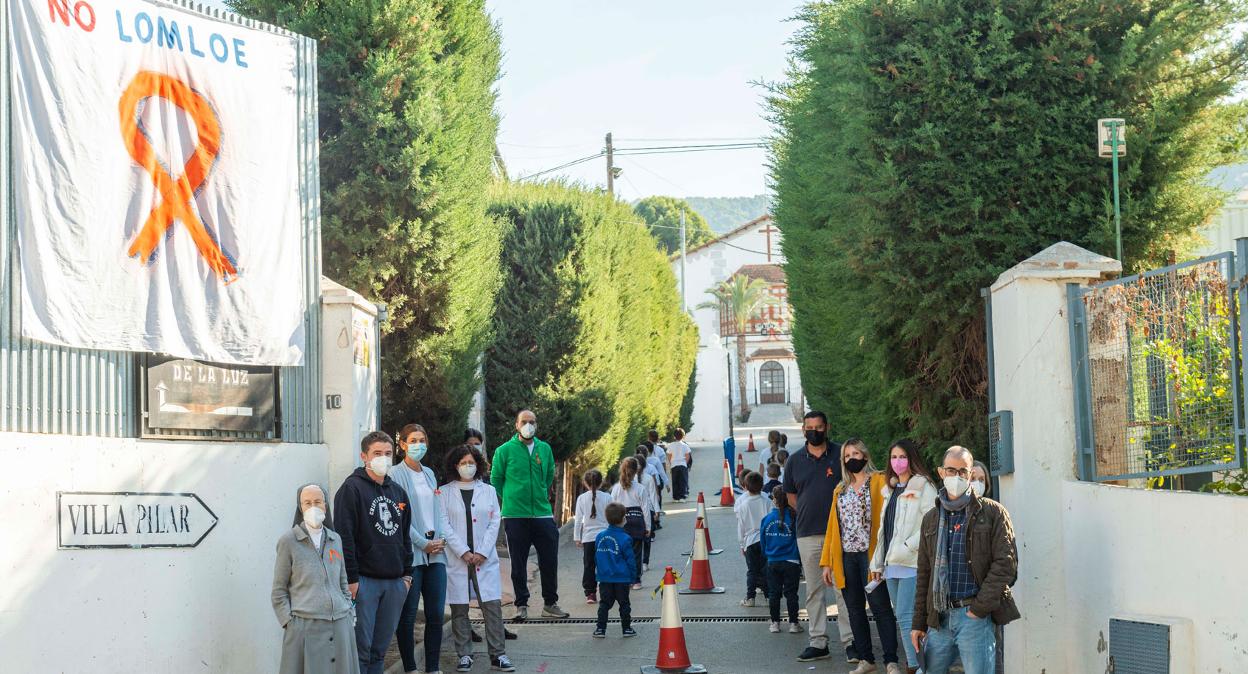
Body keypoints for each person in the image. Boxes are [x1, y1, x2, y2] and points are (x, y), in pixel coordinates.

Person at [912, 447, 1020, 674]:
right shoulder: (931, 519)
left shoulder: (993, 513)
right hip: (939, 618)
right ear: (941, 472)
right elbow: (924, 573)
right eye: (951, 470)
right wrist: (918, 623)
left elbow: (1006, 565)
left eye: (963, 471)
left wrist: (979, 610)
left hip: (974, 616)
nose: (957, 476)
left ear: (971, 474)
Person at [333, 432, 414, 674]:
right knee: (361, 650)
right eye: (377, 454)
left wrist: (407, 576)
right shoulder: (351, 489)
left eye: (388, 454)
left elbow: (405, 536)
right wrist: (352, 579)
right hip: (364, 583)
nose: (383, 458)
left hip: (395, 583)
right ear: (364, 456)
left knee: (380, 650)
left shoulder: (398, 493)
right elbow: (344, 537)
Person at [820, 438, 900, 674]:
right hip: (846, 558)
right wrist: (827, 563)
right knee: (854, 609)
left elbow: (896, 487)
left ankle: (891, 660)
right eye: (846, 456)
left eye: (855, 454)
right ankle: (867, 660)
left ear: (865, 456)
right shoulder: (840, 489)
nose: (851, 459)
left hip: (871, 556)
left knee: (881, 607)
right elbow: (832, 529)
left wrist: (895, 480)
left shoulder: (879, 481)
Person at [782, 411, 853, 663]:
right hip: (807, 534)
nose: (814, 431)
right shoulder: (794, 461)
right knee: (814, 591)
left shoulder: (841, 455)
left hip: (842, 534)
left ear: (827, 427)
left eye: (819, 427)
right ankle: (818, 642)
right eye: (809, 427)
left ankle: (850, 641)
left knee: (843, 588)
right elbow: (791, 496)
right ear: (803, 430)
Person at [441, 444, 516, 673]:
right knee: (459, 608)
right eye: (463, 463)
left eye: (471, 462)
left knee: (491, 606)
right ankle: (464, 654)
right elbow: (443, 524)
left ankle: (498, 655)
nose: (468, 466)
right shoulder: (443, 492)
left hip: (485, 558)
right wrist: (463, 551)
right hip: (458, 558)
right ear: (456, 465)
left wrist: (482, 551)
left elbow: (495, 522)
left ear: (478, 464)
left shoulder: (489, 491)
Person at [272, 484, 359, 674]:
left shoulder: (336, 539)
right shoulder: (288, 542)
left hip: (340, 623)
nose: (313, 507)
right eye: (307, 503)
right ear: (300, 507)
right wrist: (289, 623)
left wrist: (349, 611)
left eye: (318, 502)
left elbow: (343, 582)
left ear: (325, 506)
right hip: (305, 627)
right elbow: (279, 591)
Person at [491, 410, 569, 621]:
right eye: (524, 422)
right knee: (518, 562)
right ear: (516, 425)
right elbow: (496, 479)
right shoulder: (504, 451)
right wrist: (512, 497)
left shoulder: (544, 449)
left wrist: (540, 496)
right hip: (515, 515)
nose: (528, 425)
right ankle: (521, 605)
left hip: (542, 514)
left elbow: (548, 475)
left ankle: (550, 604)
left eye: (532, 422)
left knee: (549, 560)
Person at [870, 440, 938, 674]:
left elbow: (932, 524)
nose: (897, 462)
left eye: (902, 457)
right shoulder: (890, 490)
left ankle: (917, 667)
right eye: (893, 457)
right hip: (892, 565)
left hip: (912, 563)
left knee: (910, 618)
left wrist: (908, 547)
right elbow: (884, 531)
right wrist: (878, 562)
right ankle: (919, 665)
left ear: (912, 458)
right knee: (902, 617)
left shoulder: (923, 486)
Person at [389, 424, 449, 674]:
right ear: (402, 444)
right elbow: (399, 518)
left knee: (436, 615)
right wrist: (423, 543)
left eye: (422, 440)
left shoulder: (429, 473)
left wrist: (440, 539)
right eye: (413, 440)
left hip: (436, 555)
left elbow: (437, 510)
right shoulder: (394, 474)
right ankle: (411, 668)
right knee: (408, 616)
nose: (418, 445)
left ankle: (432, 668)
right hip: (412, 556)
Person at [591, 502, 638, 639]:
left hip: (604, 577)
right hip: (622, 578)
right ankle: (626, 628)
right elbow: (630, 560)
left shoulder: (600, 537)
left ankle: (600, 629)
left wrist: (599, 572)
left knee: (604, 604)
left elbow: (596, 556)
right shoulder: (625, 538)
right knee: (624, 604)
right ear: (623, 519)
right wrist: (633, 577)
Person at [761, 485, 802, 635]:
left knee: (774, 593)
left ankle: (775, 623)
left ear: (775, 500)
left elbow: (763, 541)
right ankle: (793, 623)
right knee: (791, 593)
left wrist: (768, 554)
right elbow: (799, 539)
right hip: (792, 561)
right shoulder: (794, 516)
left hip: (773, 560)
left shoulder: (767, 519)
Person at [609, 456, 651, 590]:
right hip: (637, 521)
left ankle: (625, 579)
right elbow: (645, 508)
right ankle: (636, 580)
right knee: (636, 553)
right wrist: (648, 526)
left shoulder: (616, 488)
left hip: (621, 521)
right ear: (636, 471)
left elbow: (612, 506)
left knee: (621, 552)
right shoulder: (640, 488)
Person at [575, 469, 612, 604]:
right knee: (605, 564)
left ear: (585, 483)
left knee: (589, 565)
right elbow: (611, 517)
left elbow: (578, 519)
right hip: (605, 536)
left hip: (588, 538)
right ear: (601, 482)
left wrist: (577, 537)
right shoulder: (607, 497)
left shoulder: (581, 498)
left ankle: (590, 593)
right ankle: (606, 591)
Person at [735, 471, 771, 607]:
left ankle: (750, 598)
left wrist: (741, 544)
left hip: (750, 541)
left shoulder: (743, 505)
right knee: (766, 570)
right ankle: (768, 596)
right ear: (761, 486)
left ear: (745, 486)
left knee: (752, 571)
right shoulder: (767, 501)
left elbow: (741, 527)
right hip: (765, 541)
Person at [668, 428, 693, 501]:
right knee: (683, 481)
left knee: (675, 481)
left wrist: (671, 462)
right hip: (683, 464)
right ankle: (682, 496)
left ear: (674, 436)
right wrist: (685, 462)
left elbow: (669, 455)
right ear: (683, 436)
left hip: (674, 465)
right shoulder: (685, 445)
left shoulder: (671, 445)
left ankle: (675, 497)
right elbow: (688, 455)